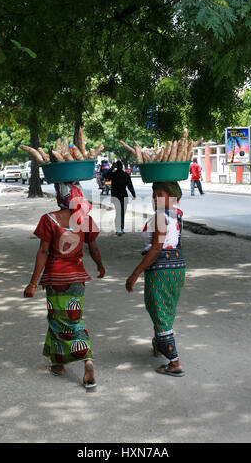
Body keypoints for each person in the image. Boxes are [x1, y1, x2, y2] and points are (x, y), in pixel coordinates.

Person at [23, 182, 105, 388]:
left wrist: (33, 283)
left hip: (55, 279)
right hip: (78, 279)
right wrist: (100, 266)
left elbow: (43, 252)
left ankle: (86, 358)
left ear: (60, 197)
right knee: (72, 316)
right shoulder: (85, 219)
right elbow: (93, 248)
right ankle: (59, 363)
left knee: (60, 320)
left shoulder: (49, 219)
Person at [126, 181, 186, 377]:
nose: (155, 198)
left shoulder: (161, 217)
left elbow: (156, 248)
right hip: (176, 267)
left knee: (159, 311)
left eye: (160, 193)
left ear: (172, 196)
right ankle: (159, 345)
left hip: (161, 269)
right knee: (164, 308)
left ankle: (174, 362)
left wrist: (135, 273)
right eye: (154, 193)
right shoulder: (176, 214)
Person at [106, 161, 136, 236]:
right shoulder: (125, 175)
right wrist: (133, 194)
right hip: (123, 196)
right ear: (122, 166)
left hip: (116, 196)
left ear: (116, 166)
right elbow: (130, 185)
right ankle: (120, 229)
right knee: (122, 213)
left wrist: (112, 168)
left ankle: (119, 229)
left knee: (119, 212)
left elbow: (106, 176)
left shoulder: (113, 174)